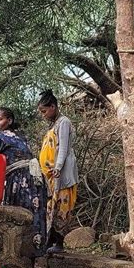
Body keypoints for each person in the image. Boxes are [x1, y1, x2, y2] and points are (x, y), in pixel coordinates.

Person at [0, 107, 47, 268]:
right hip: (36, 182)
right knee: (34, 221)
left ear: (9, 121)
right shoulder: (21, 137)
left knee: (17, 222)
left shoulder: (0, 137)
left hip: (21, 181)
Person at [38, 89, 79, 254]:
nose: (43, 115)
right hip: (52, 176)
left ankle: (58, 243)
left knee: (62, 208)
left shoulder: (64, 122)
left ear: (53, 107)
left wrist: (58, 167)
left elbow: (63, 147)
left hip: (62, 174)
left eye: (44, 111)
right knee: (50, 209)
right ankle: (50, 242)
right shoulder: (54, 125)